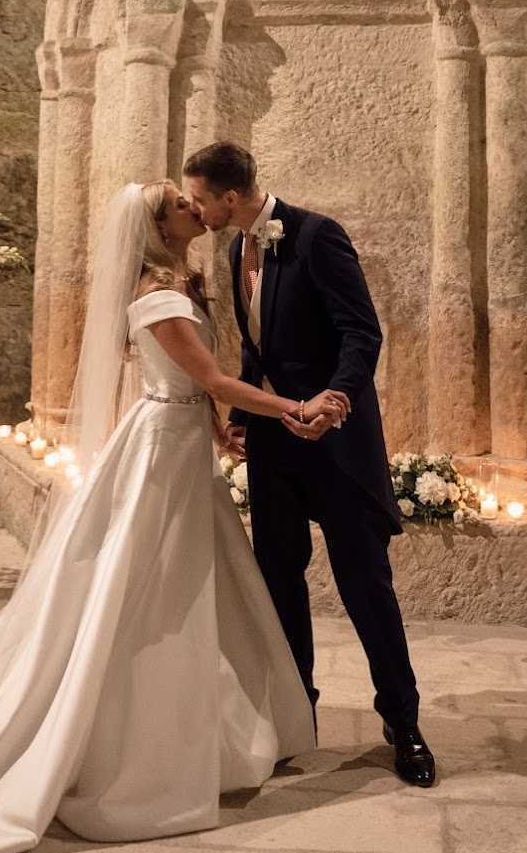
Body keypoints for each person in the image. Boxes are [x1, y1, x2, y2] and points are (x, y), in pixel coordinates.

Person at [0, 181, 347, 853]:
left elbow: (194, 388)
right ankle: (134, 740)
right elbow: (210, 377)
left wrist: (217, 435)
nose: (194, 207)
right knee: (151, 583)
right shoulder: (156, 295)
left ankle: (222, 724)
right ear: (159, 227)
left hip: (181, 439)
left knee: (194, 576)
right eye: (180, 204)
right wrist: (292, 408)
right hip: (158, 446)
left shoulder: (177, 282)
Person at [183, 143, 436, 788]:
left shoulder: (319, 236)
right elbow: (257, 349)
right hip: (275, 448)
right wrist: (242, 420)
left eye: (201, 199)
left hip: (337, 446)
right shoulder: (233, 248)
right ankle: (299, 718)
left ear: (230, 197)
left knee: (366, 588)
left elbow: (362, 331)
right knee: (280, 585)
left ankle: (403, 723)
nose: (196, 210)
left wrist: (338, 399)